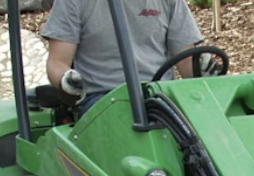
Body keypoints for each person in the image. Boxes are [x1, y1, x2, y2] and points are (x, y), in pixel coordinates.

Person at [42, 0, 204, 113]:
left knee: (199, 139)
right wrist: (67, 80)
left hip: (160, 95)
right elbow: (57, 62)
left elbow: (187, 60)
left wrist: (206, 72)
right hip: (102, 99)